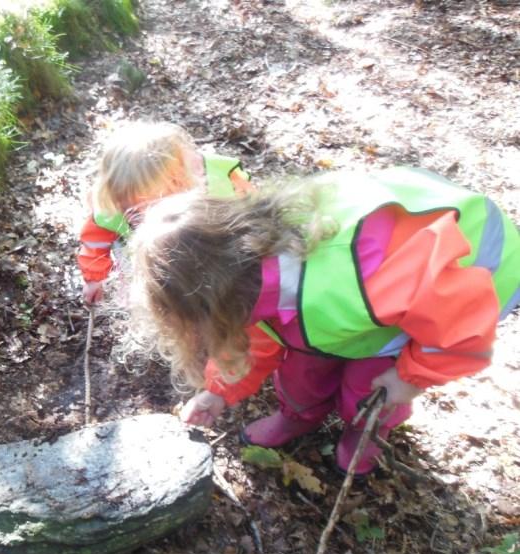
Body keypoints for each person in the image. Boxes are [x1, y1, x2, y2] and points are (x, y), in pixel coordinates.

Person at [125, 166, 520, 474]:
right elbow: (256, 339)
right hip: (354, 306)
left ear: (215, 302)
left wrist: (410, 378)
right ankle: (299, 416)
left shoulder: (364, 276)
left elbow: (463, 323)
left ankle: (365, 431)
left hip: (469, 277)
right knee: (304, 363)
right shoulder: (247, 278)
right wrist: (218, 391)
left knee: (369, 382)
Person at [77, 120, 253, 305]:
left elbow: (253, 212)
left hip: (210, 257)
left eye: (149, 205)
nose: (138, 212)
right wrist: (93, 278)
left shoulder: (219, 184)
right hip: (150, 267)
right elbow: (94, 242)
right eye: (130, 206)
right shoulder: (112, 209)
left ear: (180, 183)